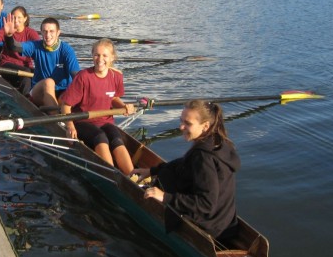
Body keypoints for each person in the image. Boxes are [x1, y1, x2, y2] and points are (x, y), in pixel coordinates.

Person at [133, 100, 241, 242]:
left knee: (166, 178)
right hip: (225, 223)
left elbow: (206, 204)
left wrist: (165, 197)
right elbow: (184, 163)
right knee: (169, 171)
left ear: (205, 126)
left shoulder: (203, 157)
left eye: (188, 123)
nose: (181, 127)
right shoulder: (218, 142)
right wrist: (152, 170)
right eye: (181, 121)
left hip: (208, 227)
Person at [59, 38, 136, 175]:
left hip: (105, 121)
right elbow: (66, 105)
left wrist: (124, 106)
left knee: (116, 138)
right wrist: (70, 126)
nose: (100, 59)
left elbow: (113, 97)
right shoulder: (83, 77)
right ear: (92, 56)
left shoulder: (116, 76)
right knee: (100, 136)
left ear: (112, 58)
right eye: (96, 55)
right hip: (82, 121)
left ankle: (133, 176)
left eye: (105, 55)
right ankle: (111, 174)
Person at [2, 14, 80, 108]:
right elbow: (14, 47)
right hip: (39, 90)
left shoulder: (67, 50)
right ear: (41, 33)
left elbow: (77, 76)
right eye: (45, 31)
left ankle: (58, 111)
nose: (48, 35)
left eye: (51, 31)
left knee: (71, 94)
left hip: (62, 90)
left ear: (58, 32)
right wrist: (9, 35)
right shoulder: (35, 46)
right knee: (49, 82)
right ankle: (56, 118)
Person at [0, 6, 40, 94]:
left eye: (19, 17)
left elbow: (40, 49)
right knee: (25, 73)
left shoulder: (31, 33)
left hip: (26, 65)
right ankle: (27, 99)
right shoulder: (6, 29)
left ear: (25, 19)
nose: (16, 20)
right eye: (14, 17)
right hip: (7, 64)